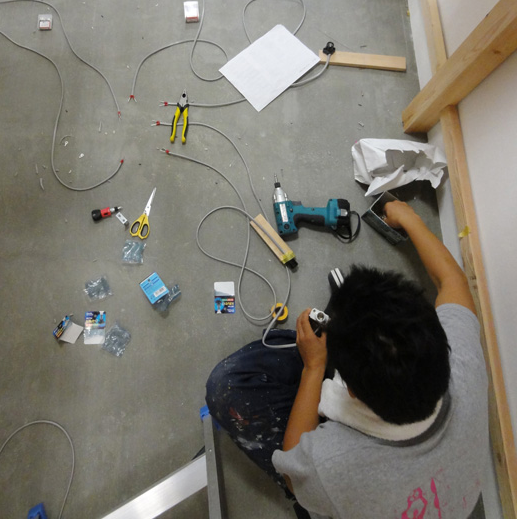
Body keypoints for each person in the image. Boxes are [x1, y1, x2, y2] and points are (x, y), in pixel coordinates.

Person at [205, 200, 489, 519]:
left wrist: (314, 368)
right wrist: (411, 219)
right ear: (439, 335)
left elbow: (293, 475)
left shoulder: (333, 465)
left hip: (346, 490)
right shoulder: (466, 361)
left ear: (349, 389)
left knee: (227, 385)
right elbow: (452, 281)